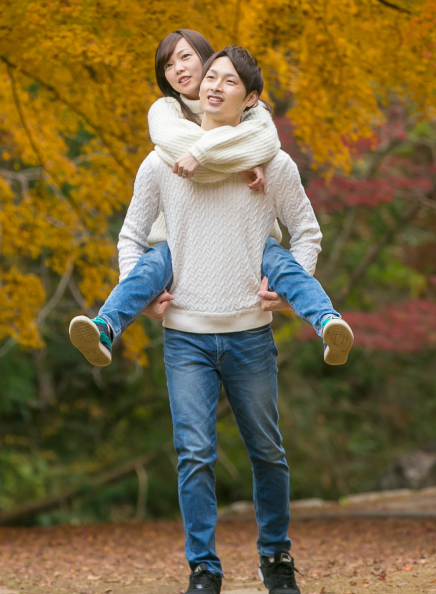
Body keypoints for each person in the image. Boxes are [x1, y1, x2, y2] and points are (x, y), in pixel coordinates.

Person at [95, 45, 325, 594]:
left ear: (250, 99)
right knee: (193, 453)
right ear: (195, 89)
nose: (214, 86)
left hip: (250, 334)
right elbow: (132, 234)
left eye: (230, 82)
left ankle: (276, 557)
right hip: (186, 336)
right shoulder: (161, 163)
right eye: (210, 77)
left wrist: (289, 296)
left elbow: (307, 232)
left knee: (267, 452)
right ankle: (203, 568)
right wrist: (144, 291)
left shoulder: (271, 165)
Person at [69, 29, 353, 370]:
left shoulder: (249, 110)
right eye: (168, 65)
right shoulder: (165, 112)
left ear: (209, 61)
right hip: (177, 242)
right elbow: (184, 145)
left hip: (246, 246)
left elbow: (264, 138)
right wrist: (240, 158)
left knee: (281, 264)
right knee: (148, 269)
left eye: (186, 57)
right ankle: (105, 327)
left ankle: (327, 322)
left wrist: (255, 158)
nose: (178, 69)